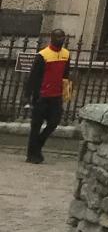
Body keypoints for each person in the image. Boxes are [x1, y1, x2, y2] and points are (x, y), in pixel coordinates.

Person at [25, 29, 71, 163]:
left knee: (54, 122)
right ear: (52, 38)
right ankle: (32, 155)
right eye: (58, 37)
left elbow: (66, 76)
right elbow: (33, 76)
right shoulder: (42, 55)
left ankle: (38, 144)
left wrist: (67, 94)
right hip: (42, 96)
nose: (60, 39)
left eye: (62, 37)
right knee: (36, 126)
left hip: (56, 96)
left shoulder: (66, 54)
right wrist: (28, 96)